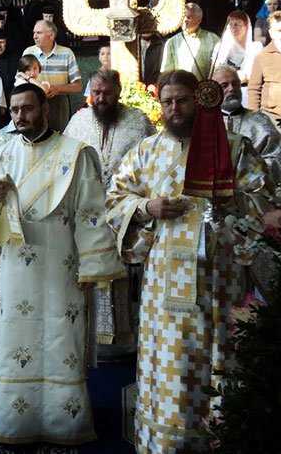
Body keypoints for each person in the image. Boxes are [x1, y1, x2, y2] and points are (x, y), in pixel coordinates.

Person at [106, 70, 271, 453]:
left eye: (182, 100)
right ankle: (166, 443)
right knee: (170, 365)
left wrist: (228, 202)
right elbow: (115, 199)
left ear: (200, 100)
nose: (175, 108)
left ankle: (221, 439)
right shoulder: (146, 151)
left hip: (220, 281)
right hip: (163, 286)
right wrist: (147, 207)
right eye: (167, 102)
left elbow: (264, 201)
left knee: (218, 358)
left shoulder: (234, 147)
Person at [0, 82, 126, 446]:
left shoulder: (75, 154)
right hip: (17, 268)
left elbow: (90, 213)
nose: (20, 116)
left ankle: (63, 421)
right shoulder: (3, 154)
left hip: (62, 266)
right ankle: (16, 420)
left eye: (27, 108)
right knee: (16, 336)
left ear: (45, 109)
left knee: (61, 335)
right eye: (15, 110)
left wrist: (91, 267)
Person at [64, 68, 155, 355]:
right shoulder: (78, 121)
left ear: (118, 92)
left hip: (125, 213)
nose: (101, 98)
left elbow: (151, 164)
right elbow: (64, 162)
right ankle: (92, 339)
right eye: (96, 93)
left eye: (106, 93)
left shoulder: (138, 121)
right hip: (87, 213)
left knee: (123, 275)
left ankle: (125, 341)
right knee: (90, 273)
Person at [213, 65, 281, 185]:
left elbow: (276, 158)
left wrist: (248, 176)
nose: (232, 89)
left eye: (235, 84)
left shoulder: (260, 121)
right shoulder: (204, 124)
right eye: (224, 85)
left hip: (253, 189)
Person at [21, 19, 81, 131]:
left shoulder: (66, 53)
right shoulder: (28, 52)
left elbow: (78, 86)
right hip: (34, 103)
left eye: (39, 33)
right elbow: (20, 79)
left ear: (52, 35)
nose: (34, 36)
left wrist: (57, 89)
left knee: (59, 137)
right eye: (34, 33)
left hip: (59, 104)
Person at [160, 3, 220, 79]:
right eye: (183, 17)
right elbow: (167, 72)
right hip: (180, 84)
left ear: (199, 20)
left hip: (204, 84)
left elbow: (219, 68)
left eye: (188, 17)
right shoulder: (172, 42)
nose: (185, 20)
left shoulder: (213, 39)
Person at [246, 9, 281, 126]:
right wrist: (253, 119)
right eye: (279, 31)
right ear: (271, 33)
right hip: (273, 119)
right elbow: (254, 90)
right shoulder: (262, 57)